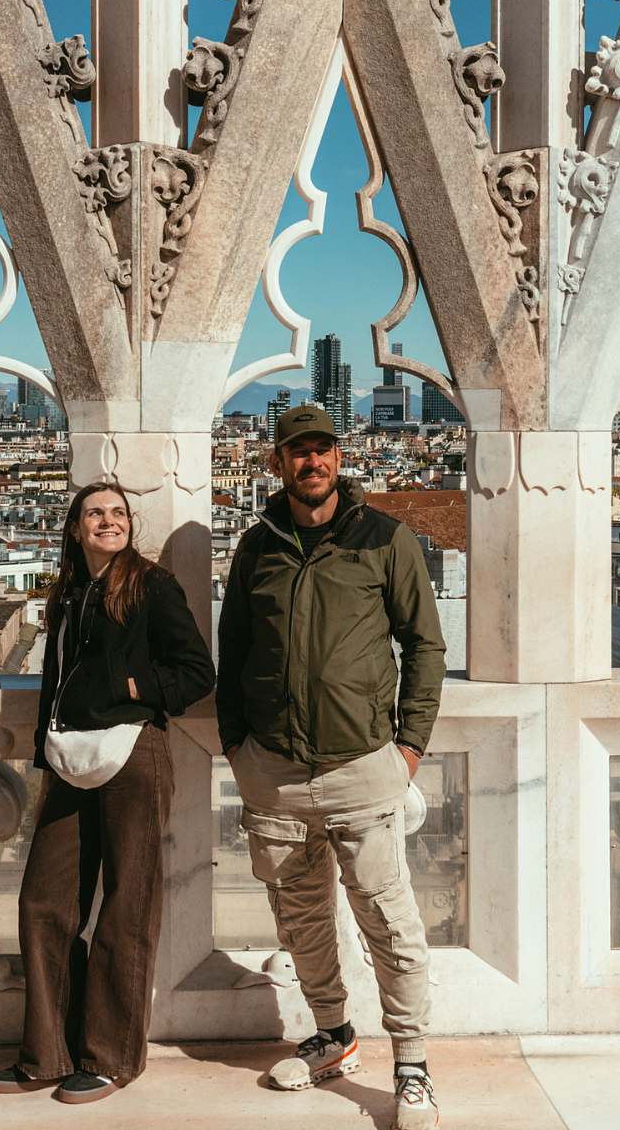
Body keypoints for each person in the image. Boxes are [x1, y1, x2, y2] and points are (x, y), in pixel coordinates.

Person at [217, 404, 447, 1130]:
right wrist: (237, 744)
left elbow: (426, 647)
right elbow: (234, 649)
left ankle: (411, 1066)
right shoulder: (256, 547)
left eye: (322, 451)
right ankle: (334, 1038)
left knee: (388, 918)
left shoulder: (386, 539)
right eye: (298, 452)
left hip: (363, 765)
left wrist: (408, 747)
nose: (311, 463)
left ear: (339, 460)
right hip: (273, 770)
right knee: (301, 917)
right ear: (276, 462)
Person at [0, 482, 215, 1105]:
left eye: (117, 513)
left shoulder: (150, 584)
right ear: (75, 527)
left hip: (133, 754)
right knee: (43, 901)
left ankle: (111, 1058)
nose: (107, 522)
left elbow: (197, 671)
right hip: (69, 759)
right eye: (95, 514)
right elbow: (59, 681)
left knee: (126, 906)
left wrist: (131, 686)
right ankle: (48, 1052)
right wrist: (44, 748)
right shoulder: (67, 593)